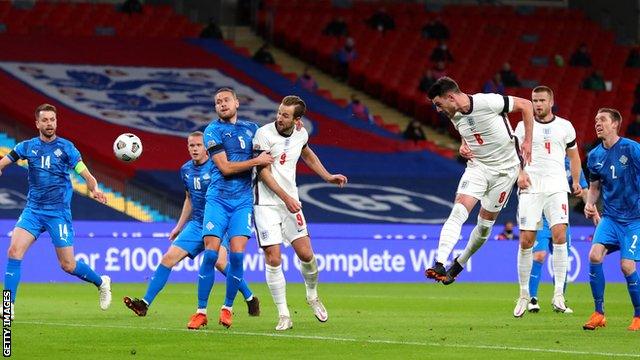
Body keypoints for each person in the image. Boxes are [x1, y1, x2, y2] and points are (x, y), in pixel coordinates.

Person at [122, 132, 259, 320]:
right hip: (196, 224)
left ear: (206, 148)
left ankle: (249, 297)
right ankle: (144, 304)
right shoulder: (185, 170)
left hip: (219, 222)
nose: (194, 149)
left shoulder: (217, 166)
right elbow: (189, 199)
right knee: (167, 259)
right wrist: (179, 226)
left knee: (219, 263)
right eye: (191, 146)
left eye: (198, 145)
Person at [0, 103, 112, 318]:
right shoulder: (27, 146)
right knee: (14, 252)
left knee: (68, 265)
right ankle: (8, 306)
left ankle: (101, 282)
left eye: (52, 120)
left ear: (56, 122)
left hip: (58, 213)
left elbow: (85, 173)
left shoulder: (67, 148)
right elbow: (5, 161)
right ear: (37, 123)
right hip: (33, 210)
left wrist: (95, 188)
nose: (49, 123)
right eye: (45, 120)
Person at [425, 77, 533, 285]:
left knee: (484, 228)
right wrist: (463, 144)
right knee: (458, 211)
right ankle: (439, 262)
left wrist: (527, 140)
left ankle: (459, 264)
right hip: (478, 167)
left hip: (505, 172)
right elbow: (468, 130)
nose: (438, 110)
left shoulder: (488, 102)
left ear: (450, 97)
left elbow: (526, 105)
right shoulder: (453, 115)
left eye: (439, 104)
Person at [253, 95, 347, 331]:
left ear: (297, 120)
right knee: (273, 258)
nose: (279, 118)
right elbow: (263, 173)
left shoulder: (301, 134)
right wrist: (286, 198)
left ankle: (312, 295)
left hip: (290, 202)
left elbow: (306, 153)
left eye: (285, 115)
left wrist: (327, 176)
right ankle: (284, 314)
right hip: (265, 204)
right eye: (279, 112)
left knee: (306, 255)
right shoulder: (264, 134)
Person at [186, 88, 274, 329]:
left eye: (226, 100)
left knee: (236, 254)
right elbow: (225, 168)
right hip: (218, 199)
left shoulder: (252, 129)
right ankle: (200, 311)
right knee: (212, 253)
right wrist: (257, 161)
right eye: (218, 102)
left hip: (242, 202)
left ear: (236, 102)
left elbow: (273, 144)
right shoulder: (212, 131)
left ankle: (227, 308)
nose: (222, 104)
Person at [511, 86, 583, 317]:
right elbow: (512, 155)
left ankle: (559, 295)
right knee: (526, 241)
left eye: (542, 100)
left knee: (560, 235)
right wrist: (519, 173)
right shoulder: (522, 126)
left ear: (551, 101)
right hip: (531, 188)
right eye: (534, 100)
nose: (537, 104)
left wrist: (575, 181)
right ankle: (523, 295)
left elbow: (574, 156)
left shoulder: (565, 126)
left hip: (556, 187)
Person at [583, 108, 640, 331]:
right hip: (611, 218)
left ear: (615, 123)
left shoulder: (632, 148)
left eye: (603, 120)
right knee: (594, 255)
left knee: (626, 266)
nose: (598, 123)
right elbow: (595, 187)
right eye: (596, 120)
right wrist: (590, 203)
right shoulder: (595, 156)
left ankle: (638, 315)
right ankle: (599, 313)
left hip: (634, 219)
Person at [527, 156, 589, 313]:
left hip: (560, 216)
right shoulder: (542, 158)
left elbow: (584, 189)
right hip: (540, 216)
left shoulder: (572, 163)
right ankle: (532, 299)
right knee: (539, 255)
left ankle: (559, 299)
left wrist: (591, 208)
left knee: (561, 258)